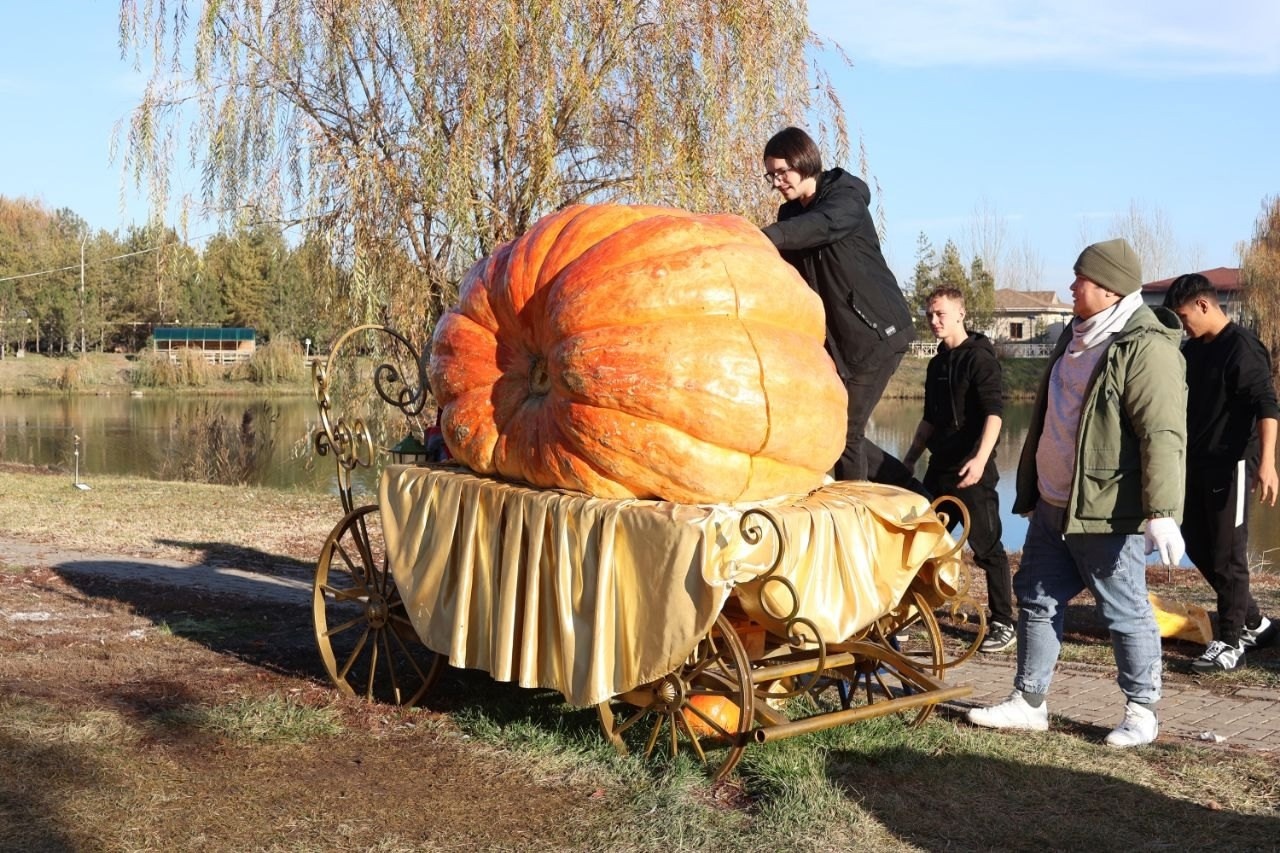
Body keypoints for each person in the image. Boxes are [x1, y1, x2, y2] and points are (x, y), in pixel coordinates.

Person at [966, 237, 1187, 748]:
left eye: (1080, 279)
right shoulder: (1076, 334)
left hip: (1106, 511)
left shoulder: (1144, 347)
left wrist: (1161, 511)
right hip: (1053, 502)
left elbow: (1163, 433)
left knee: (1124, 610)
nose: (1071, 286)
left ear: (1109, 289)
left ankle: (1141, 711)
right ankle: (1029, 703)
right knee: (1037, 599)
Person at [760, 126, 919, 489]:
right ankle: (915, 494)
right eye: (771, 176)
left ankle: (854, 516)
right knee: (841, 431)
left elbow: (823, 225)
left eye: (781, 172)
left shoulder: (845, 198)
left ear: (803, 161)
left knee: (844, 431)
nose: (777, 183)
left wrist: (767, 236)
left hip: (879, 333)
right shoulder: (791, 216)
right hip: (843, 343)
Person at [1163, 273, 1278, 672]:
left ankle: (1230, 642)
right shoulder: (1194, 350)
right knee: (1194, 542)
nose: (1182, 325)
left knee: (1229, 554)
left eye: (1183, 316)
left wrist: (1268, 463)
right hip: (1195, 463)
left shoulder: (1243, 349)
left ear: (1204, 305)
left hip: (1234, 465)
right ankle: (1255, 621)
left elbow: (1267, 406)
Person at [902, 287, 1016, 653]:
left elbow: (995, 415)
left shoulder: (980, 359)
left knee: (987, 547)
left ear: (960, 314)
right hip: (940, 469)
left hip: (973, 470)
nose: (933, 321)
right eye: (929, 315)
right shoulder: (937, 365)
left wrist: (980, 460)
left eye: (940, 314)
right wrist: (909, 458)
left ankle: (1003, 622)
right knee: (922, 542)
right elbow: (928, 420)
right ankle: (904, 615)